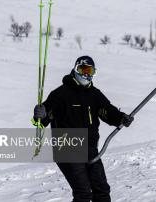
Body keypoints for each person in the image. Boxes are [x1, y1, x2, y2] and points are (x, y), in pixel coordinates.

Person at [33, 55, 134, 202]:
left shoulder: (94, 95)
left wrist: (121, 117)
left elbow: (107, 111)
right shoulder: (60, 95)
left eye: (90, 71)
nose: (86, 74)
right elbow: (44, 118)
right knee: (83, 193)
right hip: (67, 150)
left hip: (89, 150)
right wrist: (40, 115)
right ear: (76, 69)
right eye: (83, 69)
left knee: (102, 190)